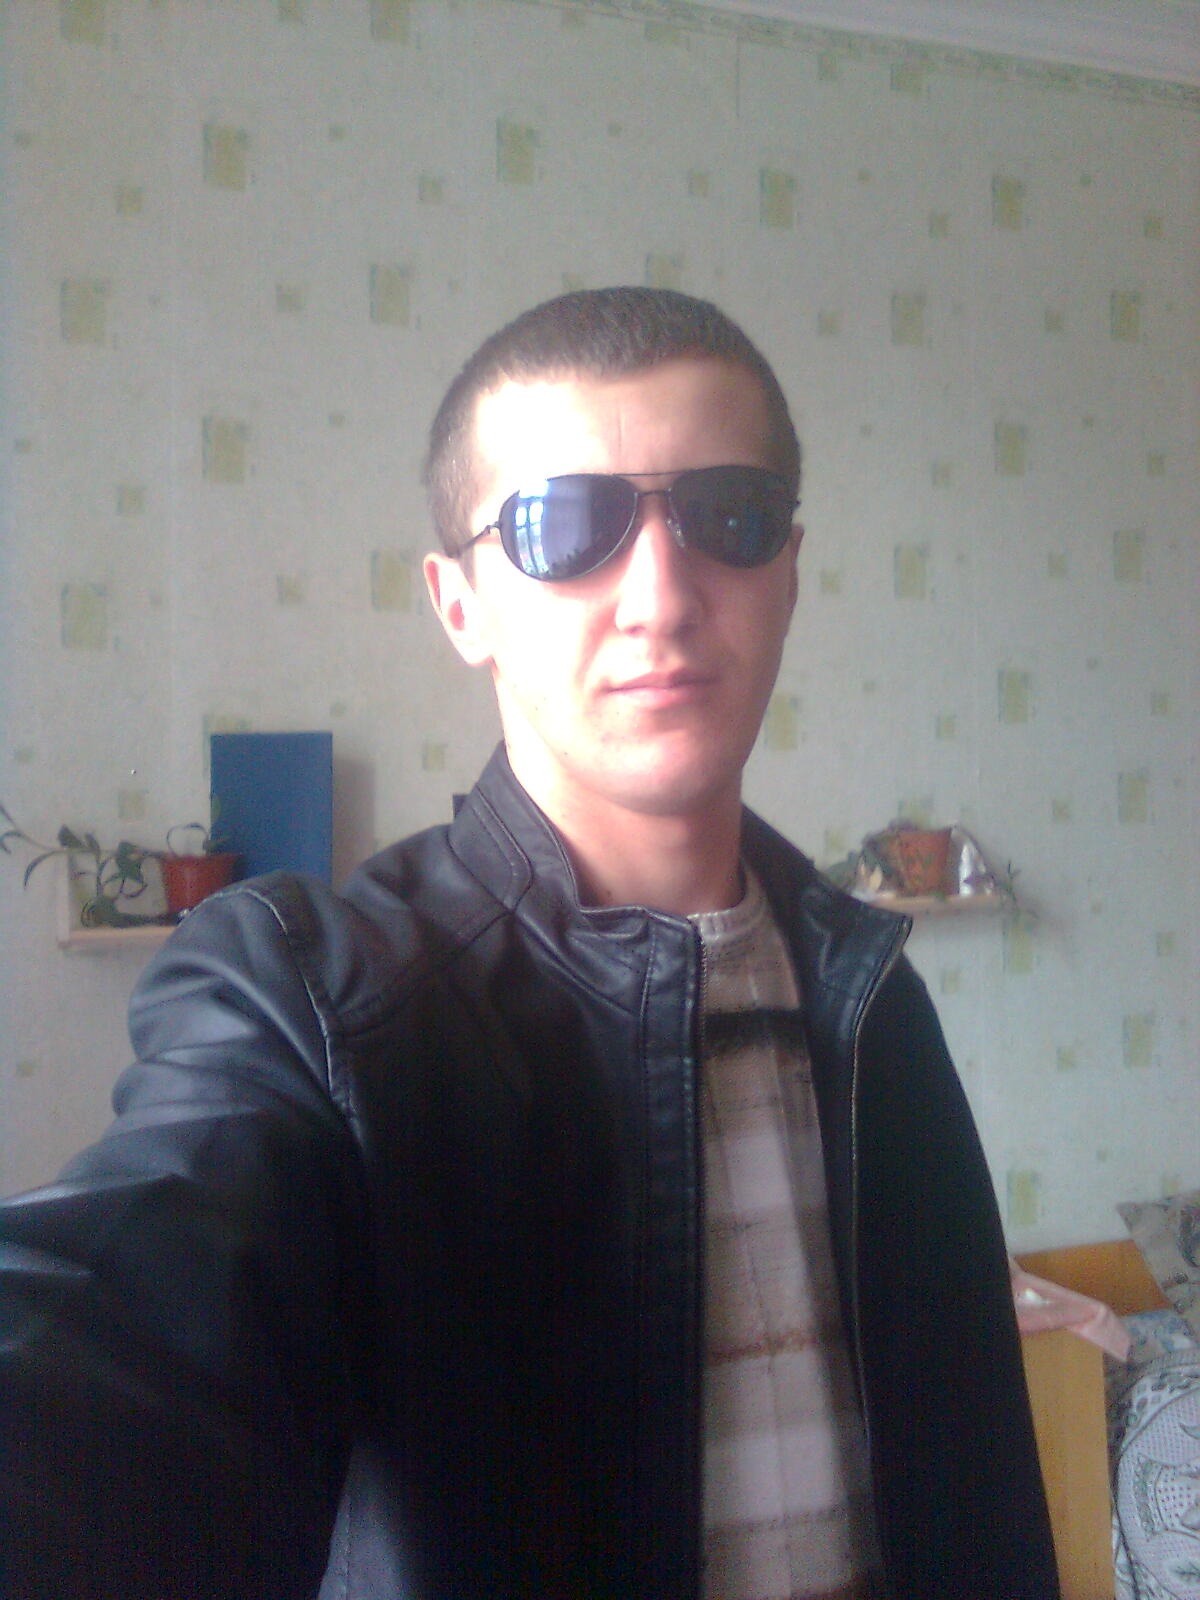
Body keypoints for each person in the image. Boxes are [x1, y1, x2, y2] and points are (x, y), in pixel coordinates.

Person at [0, 287, 1058, 1600]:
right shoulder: (309, 1002)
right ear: (461, 605)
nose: (661, 596)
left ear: (787, 569)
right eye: (565, 528)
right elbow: (113, 1333)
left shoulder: (871, 1001)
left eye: (729, 516)